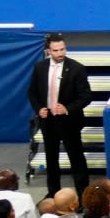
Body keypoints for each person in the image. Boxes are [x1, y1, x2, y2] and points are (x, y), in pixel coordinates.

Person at [27, 33, 92, 197]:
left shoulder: (77, 68)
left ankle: (83, 196)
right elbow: (32, 92)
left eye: (62, 49)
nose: (60, 53)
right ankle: (53, 193)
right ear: (49, 51)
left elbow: (86, 97)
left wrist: (67, 108)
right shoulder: (39, 68)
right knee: (51, 158)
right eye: (56, 50)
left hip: (69, 121)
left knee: (76, 159)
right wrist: (39, 109)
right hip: (48, 121)